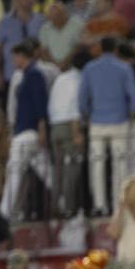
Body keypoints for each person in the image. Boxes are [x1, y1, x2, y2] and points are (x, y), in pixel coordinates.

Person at [79, 36, 135, 216]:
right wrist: (131, 112)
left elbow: (82, 98)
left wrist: (87, 114)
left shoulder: (89, 68)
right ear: (115, 49)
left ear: (100, 48)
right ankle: (118, 204)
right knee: (119, 164)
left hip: (97, 122)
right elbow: (134, 96)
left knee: (97, 165)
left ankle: (100, 205)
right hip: (119, 121)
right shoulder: (124, 68)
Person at [2, 42, 50, 222]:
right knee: (47, 172)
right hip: (25, 132)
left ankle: (4, 214)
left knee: (14, 172)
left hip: (28, 133)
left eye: (15, 57)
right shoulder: (26, 76)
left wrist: (42, 128)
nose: (13, 61)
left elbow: (40, 105)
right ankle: (63, 203)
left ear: (23, 56)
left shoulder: (35, 75)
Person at [48, 50, 84, 219]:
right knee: (72, 168)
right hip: (69, 126)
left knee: (58, 170)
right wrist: (76, 132)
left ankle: (56, 204)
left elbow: (52, 104)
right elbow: (74, 106)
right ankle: (69, 207)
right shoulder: (77, 79)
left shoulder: (60, 78)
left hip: (54, 127)